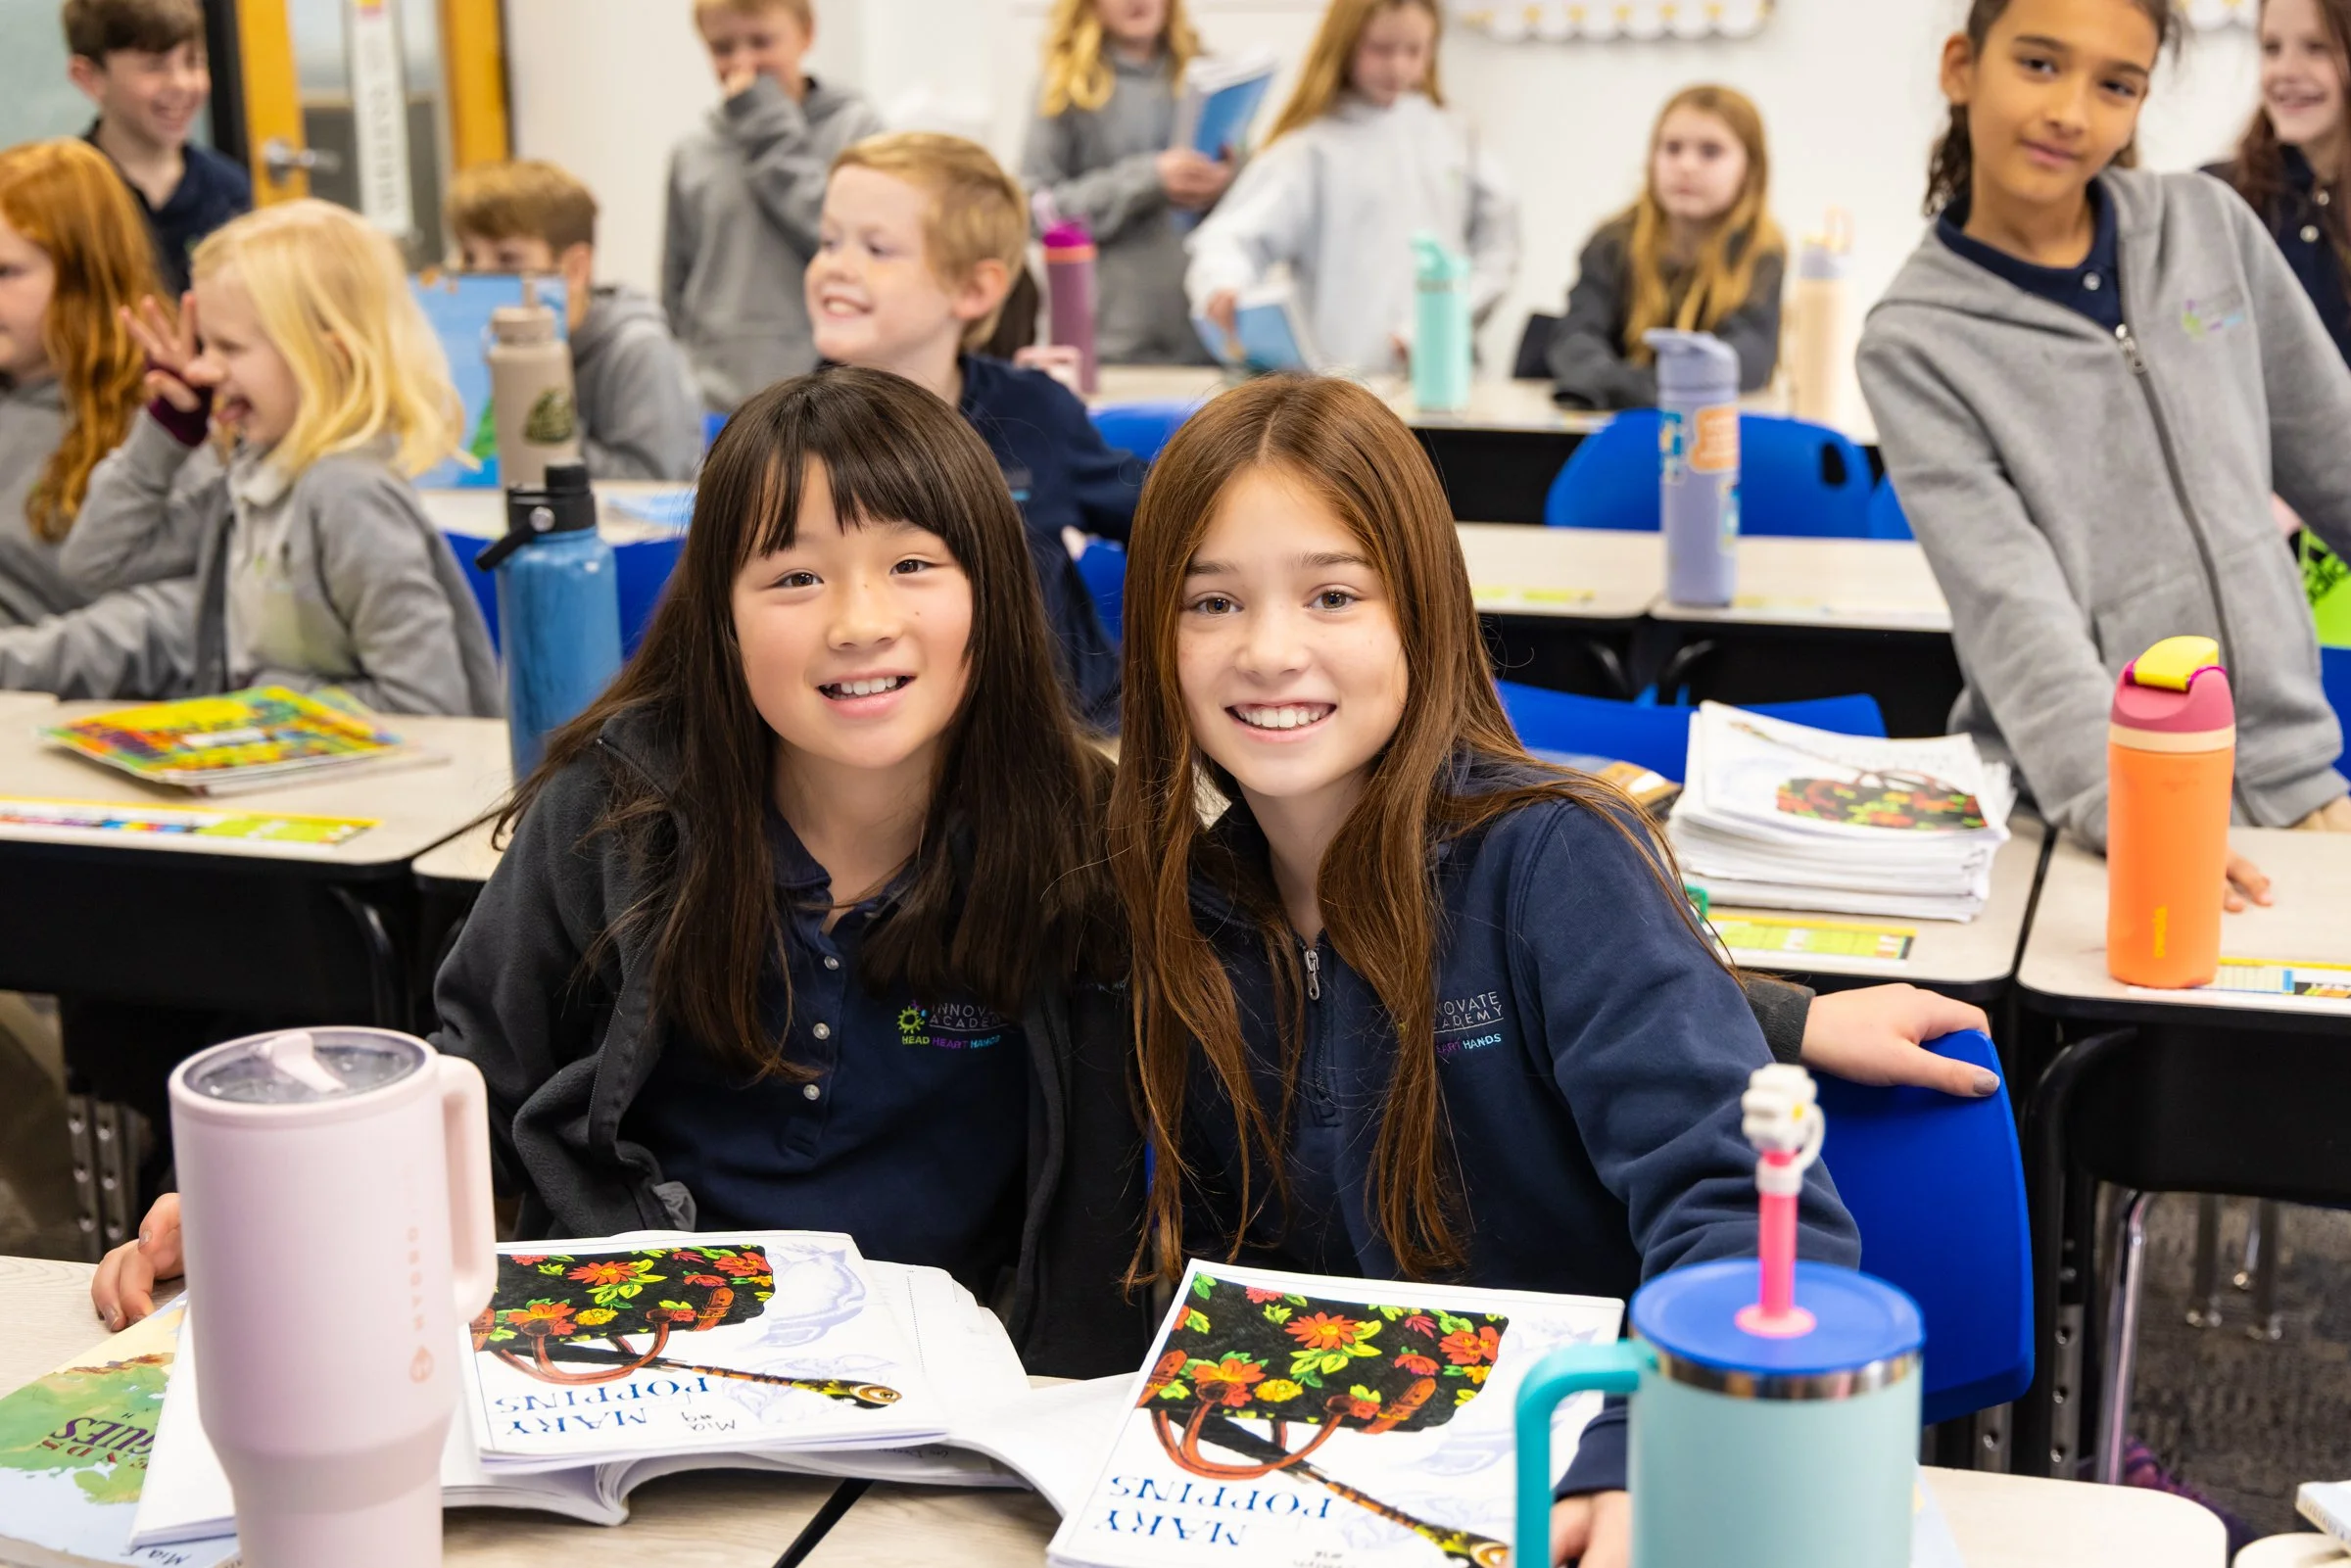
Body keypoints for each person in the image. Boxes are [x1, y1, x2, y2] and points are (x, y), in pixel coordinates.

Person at [91, 367, 1154, 1380]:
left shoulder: (1087, 846)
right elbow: (469, 1074)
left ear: (993, 592)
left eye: (913, 565)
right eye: (793, 576)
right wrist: (273, 1207)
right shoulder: (617, 807)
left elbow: (1132, 1197)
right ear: (722, 616)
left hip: (959, 1390)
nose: (859, 620)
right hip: (638, 1363)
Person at [1108, 374, 1860, 1568]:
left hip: (1567, 1484)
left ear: (1425, 612)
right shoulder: (1191, 904)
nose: (1268, 649)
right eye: (1211, 601)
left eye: (1333, 593)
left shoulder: (1553, 861)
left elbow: (1757, 1221)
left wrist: (1645, 1444)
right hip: (1324, 1494)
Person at [1858, 0, 2351, 914]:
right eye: (2040, 65)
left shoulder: (2211, 226)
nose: (2072, 113)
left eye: (2116, 85)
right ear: (1963, 66)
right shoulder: (1916, 342)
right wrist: (2140, 815)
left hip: (2295, 791)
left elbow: (2342, 463)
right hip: (2094, 816)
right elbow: (2016, 619)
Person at [0, 200, 499, 714]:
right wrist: (167, 434)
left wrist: (258, 701)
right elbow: (97, 562)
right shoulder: (254, 477)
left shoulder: (348, 495)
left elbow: (428, 705)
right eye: (205, 347)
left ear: (328, 356)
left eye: (230, 349)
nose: (207, 371)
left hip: (364, 788)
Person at [809, 132, 1139, 732]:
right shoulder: (789, 439)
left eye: (877, 248)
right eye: (829, 241)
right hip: (889, 746)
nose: (836, 265)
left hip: (1074, 746)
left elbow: (1169, 516)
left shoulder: (1039, 412)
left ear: (974, 289)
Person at [1184, 0, 1517, 373]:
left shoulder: (1456, 136)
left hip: (1438, 378)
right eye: (1380, 49)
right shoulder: (1310, 148)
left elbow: (1497, 252)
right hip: (1339, 386)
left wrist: (1441, 324)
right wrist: (1224, 283)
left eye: (1414, 50)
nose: (1398, 67)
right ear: (1344, 44)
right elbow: (1230, 238)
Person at [663, 0, 885, 412]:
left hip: (828, 391)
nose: (744, 63)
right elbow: (676, 282)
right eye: (723, 49)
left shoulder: (855, 130)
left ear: (806, 34)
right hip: (718, 395)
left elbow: (841, 242)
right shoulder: (692, 152)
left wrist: (764, 126)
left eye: (762, 42)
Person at [447, 159, 704, 483]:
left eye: (508, 259)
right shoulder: (478, 348)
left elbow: (657, 490)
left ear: (574, 269)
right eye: (469, 258)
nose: (479, 277)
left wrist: (535, 420)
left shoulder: (638, 352)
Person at [1549, 85, 1787, 410]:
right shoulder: (1611, 242)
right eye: (1672, 148)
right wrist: (1645, 386)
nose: (1686, 165)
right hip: (1611, 426)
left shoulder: (1761, 253)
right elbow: (1575, 339)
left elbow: (1746, 359)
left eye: (1710, 151)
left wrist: (1625, 385)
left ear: (1751, 168)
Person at [1022, 0, 1229, 364]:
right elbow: (1034, 210)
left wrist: (1225, 180)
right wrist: (1148, 179)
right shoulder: (1065, 86)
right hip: (1112, 341)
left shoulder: (1209, 78)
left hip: (1204, 336)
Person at [63, 0, 250, 297]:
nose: (181, 83)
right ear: (89, 77)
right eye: (155, 66)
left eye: (193, 62)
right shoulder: (58, 195)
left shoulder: (230, 190)